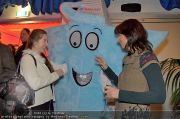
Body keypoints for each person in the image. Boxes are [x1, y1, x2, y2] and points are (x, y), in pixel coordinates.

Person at [95, 19, 166, 118]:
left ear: (130, 35)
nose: (118, 39)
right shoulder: (127, 60)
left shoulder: (147, 58)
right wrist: (106, 68)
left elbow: (159, 96)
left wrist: (119, 94)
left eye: (119, 35)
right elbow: (122, 84)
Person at [20, 29, 65, 113]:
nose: (47, 44)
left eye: (47, 41)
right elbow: (35, 84)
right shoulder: (27, 59)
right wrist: (56, 74)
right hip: (36, 106)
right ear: (35, 42)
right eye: (44, 40)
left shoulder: (41, 59)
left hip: (46, 102)